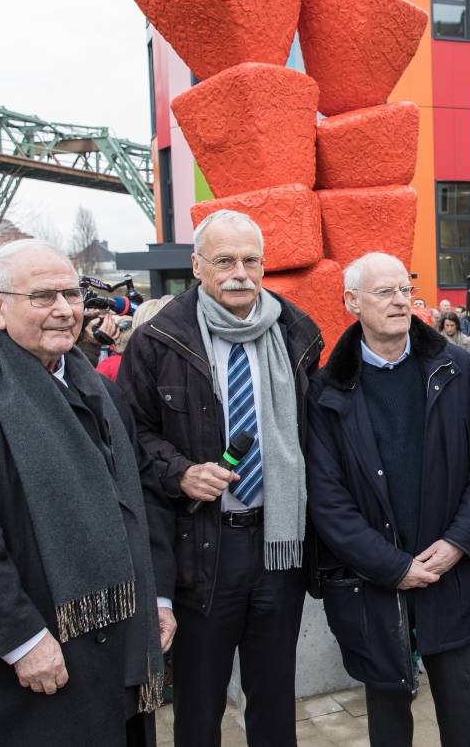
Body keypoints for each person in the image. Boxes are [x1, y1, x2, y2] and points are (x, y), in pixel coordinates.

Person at [0, 240, 176, 746]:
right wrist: (19, 641)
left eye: (71, 294)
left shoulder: (103, 392)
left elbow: (139, 501)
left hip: (116, 647)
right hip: (27, 664)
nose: (65, 310)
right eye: (43, 297)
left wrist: (157, 594)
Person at [116, 210, 322, 746]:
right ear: (197, 267)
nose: (239, 273)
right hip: (203, 547)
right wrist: (179, 472)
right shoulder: (158, 340)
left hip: (279, 546)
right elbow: (129, 436)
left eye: (250, 260)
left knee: (276, 696)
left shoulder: (297, 332)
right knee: (200, 702)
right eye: (224, 260)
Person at [306, 252, 470, 747]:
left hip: (453, 578)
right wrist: (392, 566)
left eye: (404, 289)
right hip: (376, 588)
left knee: (465, 721)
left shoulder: (454, 367)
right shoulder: (329, 389)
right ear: (351, 302)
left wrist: (458, 542)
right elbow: (328, 500)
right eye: (384, 292)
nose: (400, 301)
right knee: (388, 726)